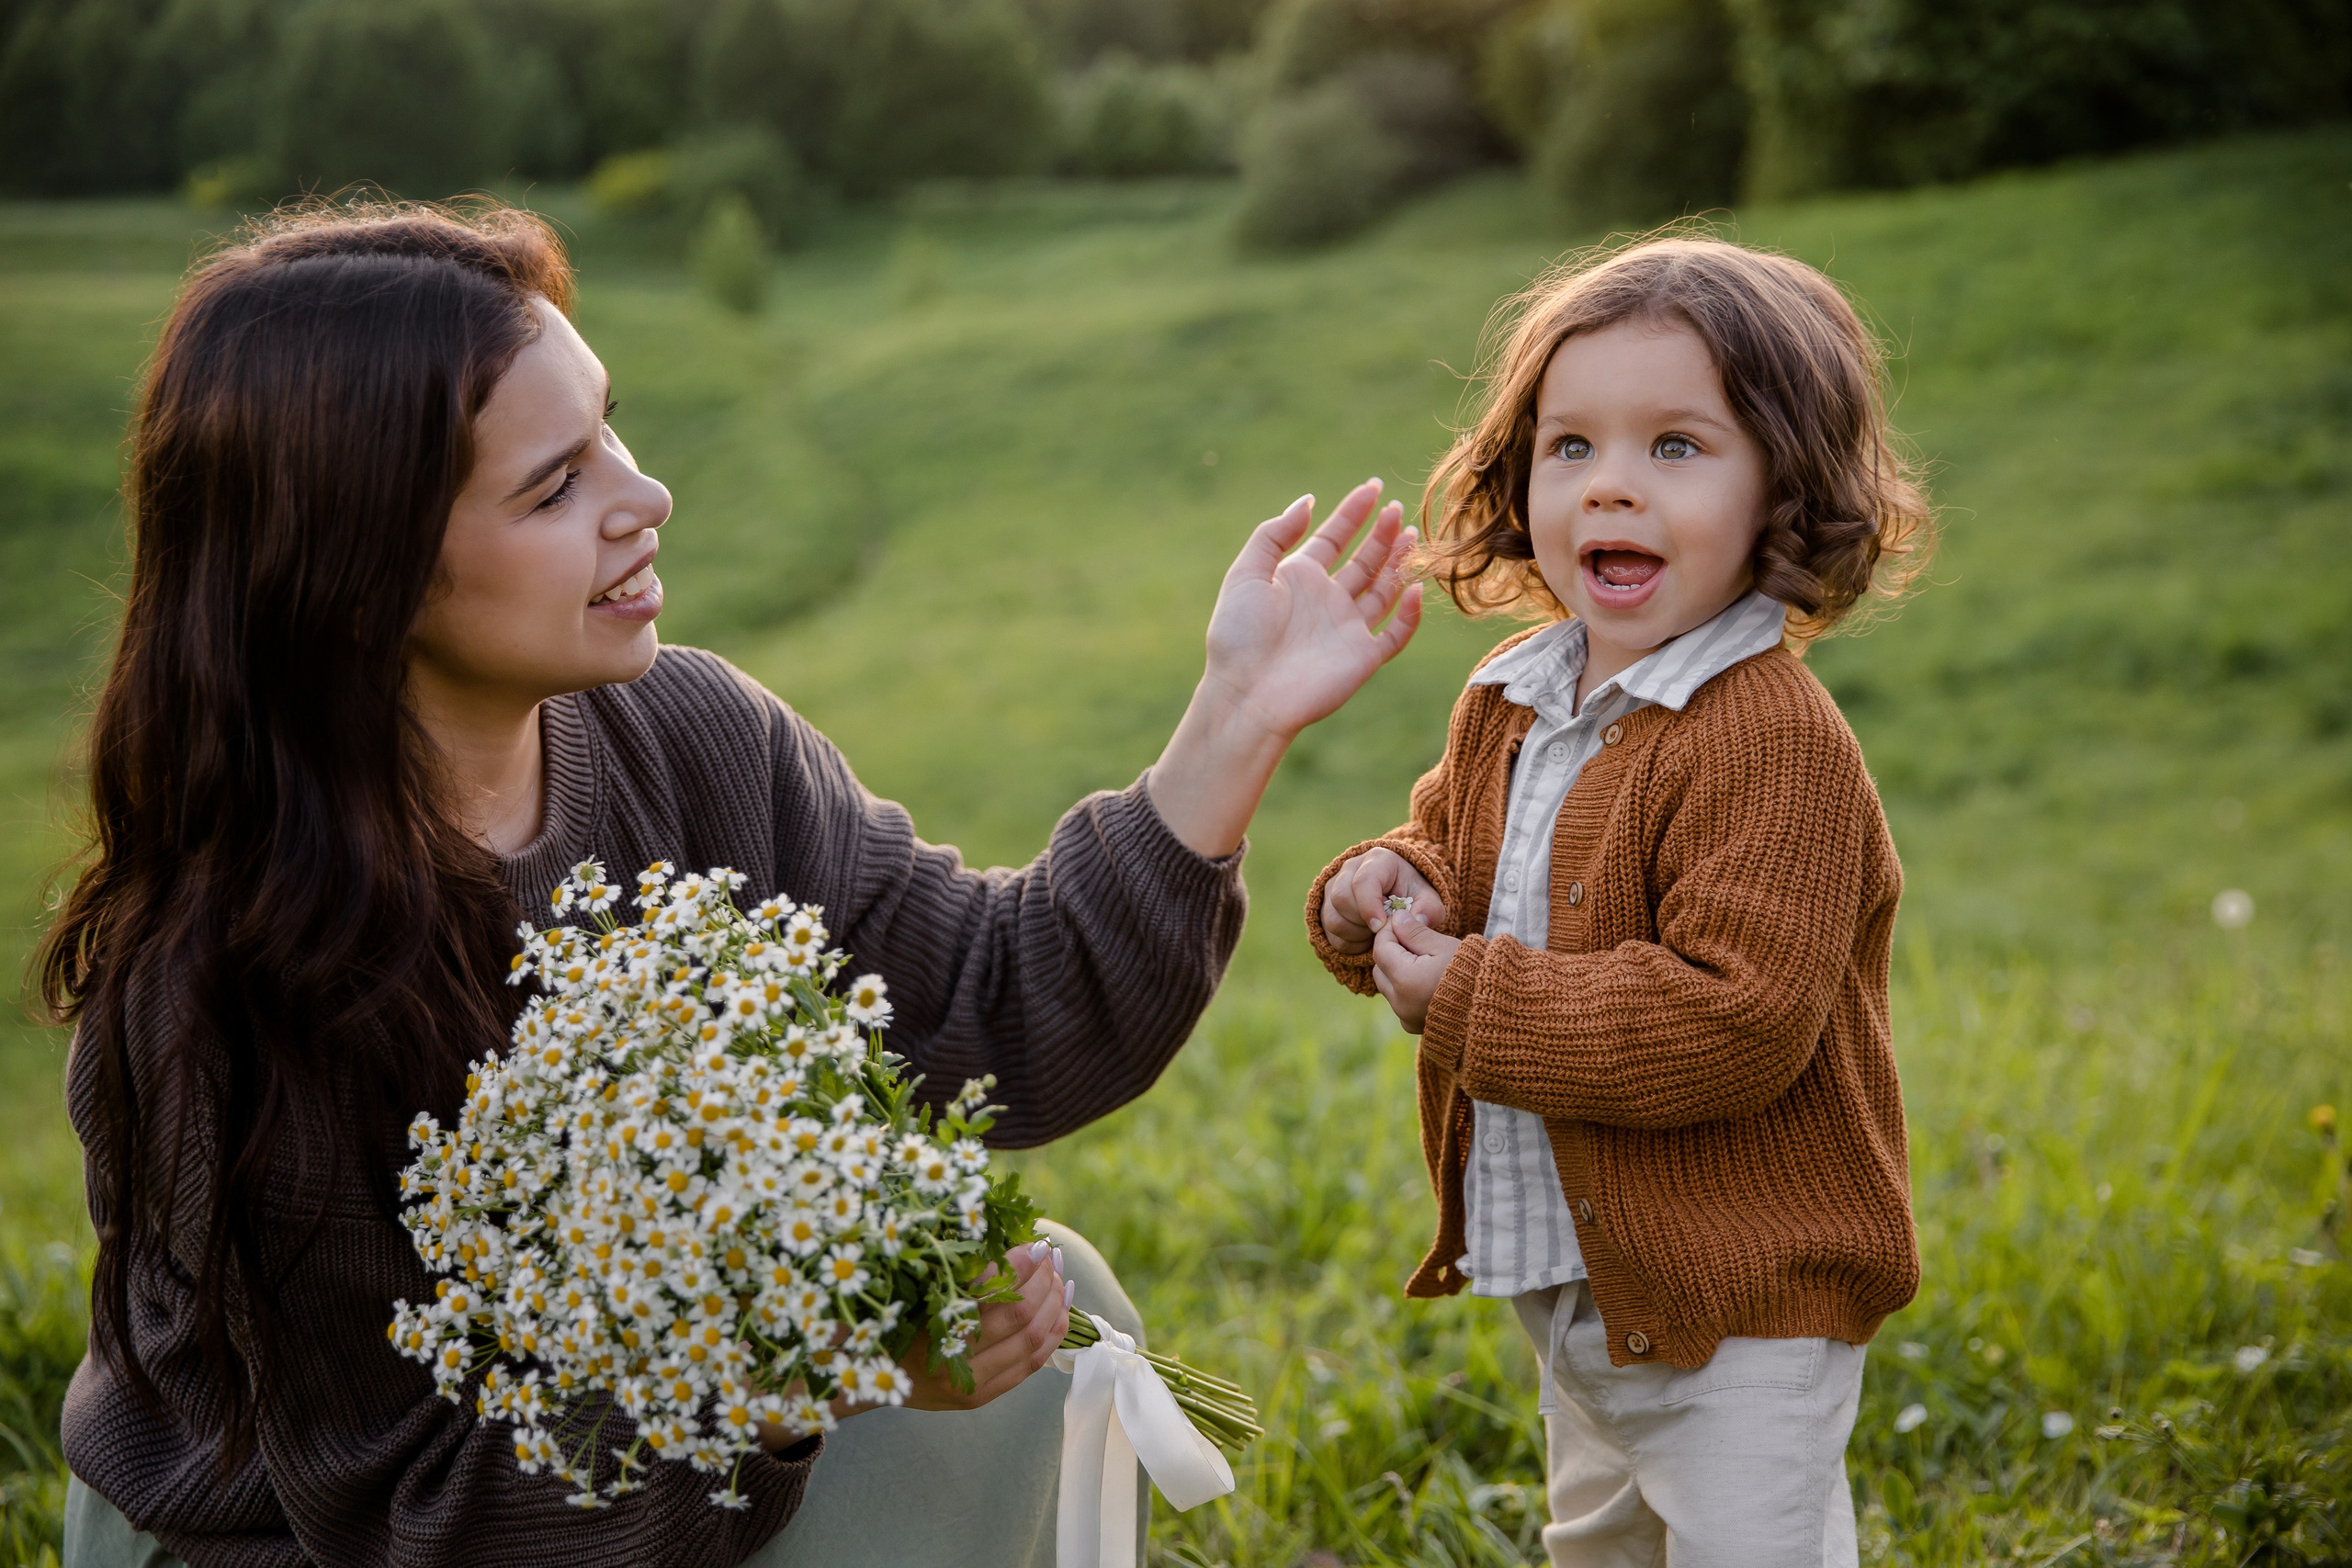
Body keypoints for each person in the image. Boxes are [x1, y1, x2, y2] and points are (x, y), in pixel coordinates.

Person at [40, 200, 1423, 1568]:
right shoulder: (238, 978)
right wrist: (796, 1377)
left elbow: (994, 1001)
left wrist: (1236, 717)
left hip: (670, 1435)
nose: (644, 498)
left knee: (1060, 1319)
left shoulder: (689, 739)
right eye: (554, 486)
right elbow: (418, 1515)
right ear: (359, 575)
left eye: (612, 429)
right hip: (326, 1539)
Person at [1307, 236, 1934, 1567]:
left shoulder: (1772, 740)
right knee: (1599, 1547)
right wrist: (1387, 888)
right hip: (1582, 1281)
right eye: (1571, 446)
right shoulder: (1515, 695)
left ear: (1783, 490)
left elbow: (1736, 1020)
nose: (1611, 485)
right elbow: (1461, 856)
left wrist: (1468, 997)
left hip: (1746, 1298)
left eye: (1676, 447)